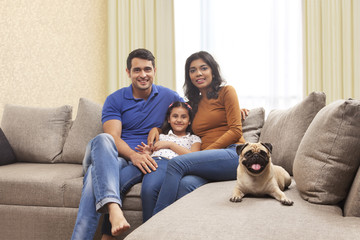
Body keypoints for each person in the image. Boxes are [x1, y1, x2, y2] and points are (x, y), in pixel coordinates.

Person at [71, 48, 183, 240]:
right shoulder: (115, 99)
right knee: (103, 139)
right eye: (137, 70)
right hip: (110, 155)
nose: (143, 75)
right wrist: (133, 155)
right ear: (128, 72)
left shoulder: (168, 97)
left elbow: (190, 115)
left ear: (155, 70)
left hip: (136, 161)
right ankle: (114, 208)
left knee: (92, 180)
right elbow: (112, 137)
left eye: (147, 69)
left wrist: (159, 129)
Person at [150, 51, 248, 216]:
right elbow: (178, 121)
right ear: (189, 76)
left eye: (203, 68)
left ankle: (153, 228)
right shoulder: (193, 104)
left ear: (212, 71)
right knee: (186, 184)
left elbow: (235, 130)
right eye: (192, 70)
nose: (198, 73)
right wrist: (157, 129)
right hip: (208, 161)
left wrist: (205, 154)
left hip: (234, 153)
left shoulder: (226, 92)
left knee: (177, 164)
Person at [135, 101, 201, 221]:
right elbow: (153, 150)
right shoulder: (161, 136)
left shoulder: (194, 138)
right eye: (175, 116)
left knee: (156, 191)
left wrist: (171, 145)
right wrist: (147, 152)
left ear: (190, 121)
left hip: (172, 166)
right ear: (169, 119)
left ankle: (156, 228)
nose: (179, 120)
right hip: (153, 161)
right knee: (141, 186)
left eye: (184, 117)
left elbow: (194, 157)